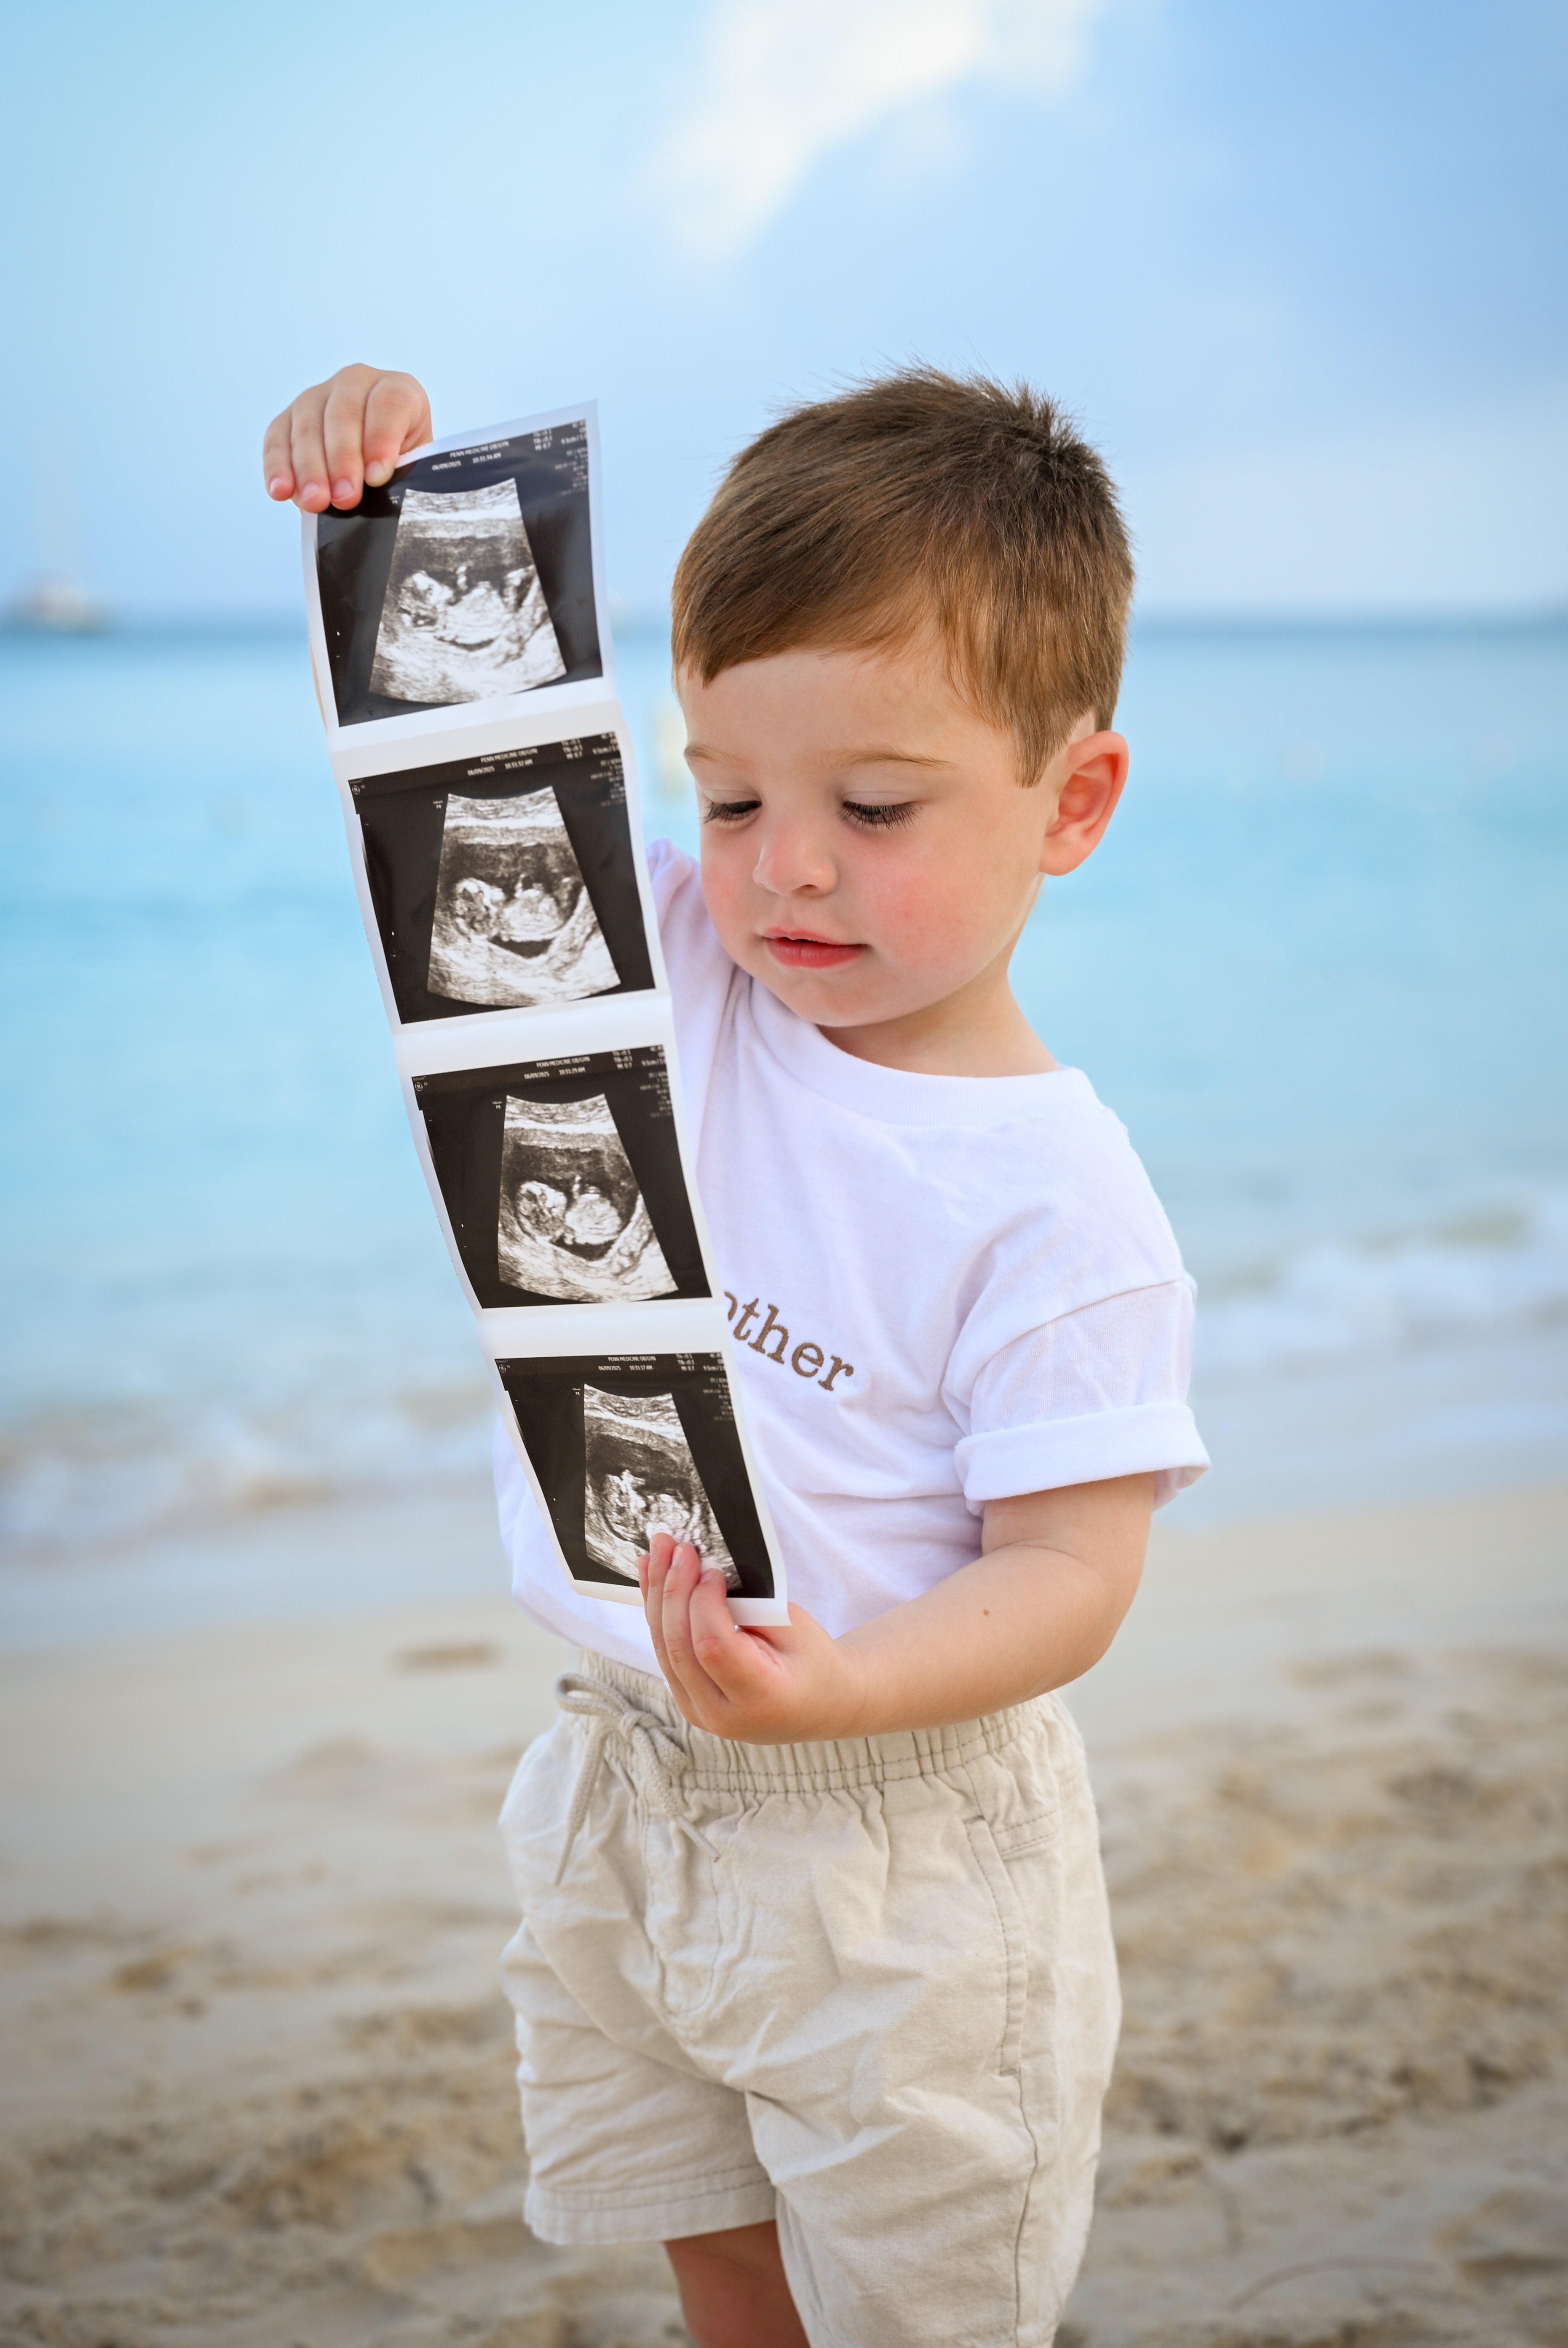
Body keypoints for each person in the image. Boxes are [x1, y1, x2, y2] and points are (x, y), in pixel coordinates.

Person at [264, 363, 1209, 2348]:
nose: (781, 866)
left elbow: (1071, 1573)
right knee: (719, 2264)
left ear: (1075, 802)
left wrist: (848, 1685)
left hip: (903, 1845)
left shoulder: (1057, 1200)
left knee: (916, 2306)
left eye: (873, 809)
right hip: (620, 1776)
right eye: (726, 794)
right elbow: (470, 771)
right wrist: (380, 496)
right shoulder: (675, 963)